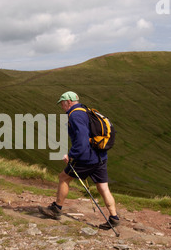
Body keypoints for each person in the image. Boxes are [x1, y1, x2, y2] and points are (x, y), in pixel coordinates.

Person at [38, 91, 120, 230]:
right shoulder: (86, 110)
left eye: (62, 103)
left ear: (68, 102)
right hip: (100, 156)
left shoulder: (75, 115)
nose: (62, 106)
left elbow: (82, 140)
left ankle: (56, 209)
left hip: (86, 158)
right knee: (103, 187)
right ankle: (114, 217)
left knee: (63, 178)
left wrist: (71, 155)